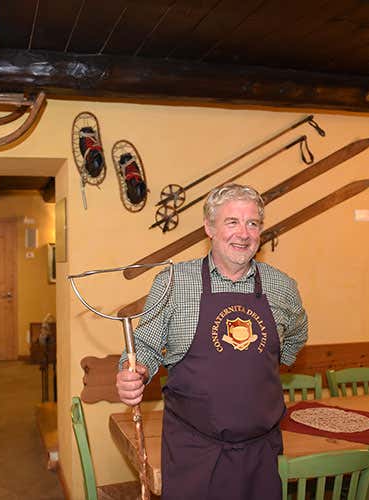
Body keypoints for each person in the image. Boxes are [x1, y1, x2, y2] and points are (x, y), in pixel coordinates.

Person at [116, 184, 308, 500]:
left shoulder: (282, 287)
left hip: (261, 452)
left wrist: (256, 369)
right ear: (209, 227)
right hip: (193, 453)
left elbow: (297, 336)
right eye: (232, 222)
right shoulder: (174, 282)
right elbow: (145, 347)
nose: (243, 234)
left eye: (252, 223)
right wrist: (133, 371)